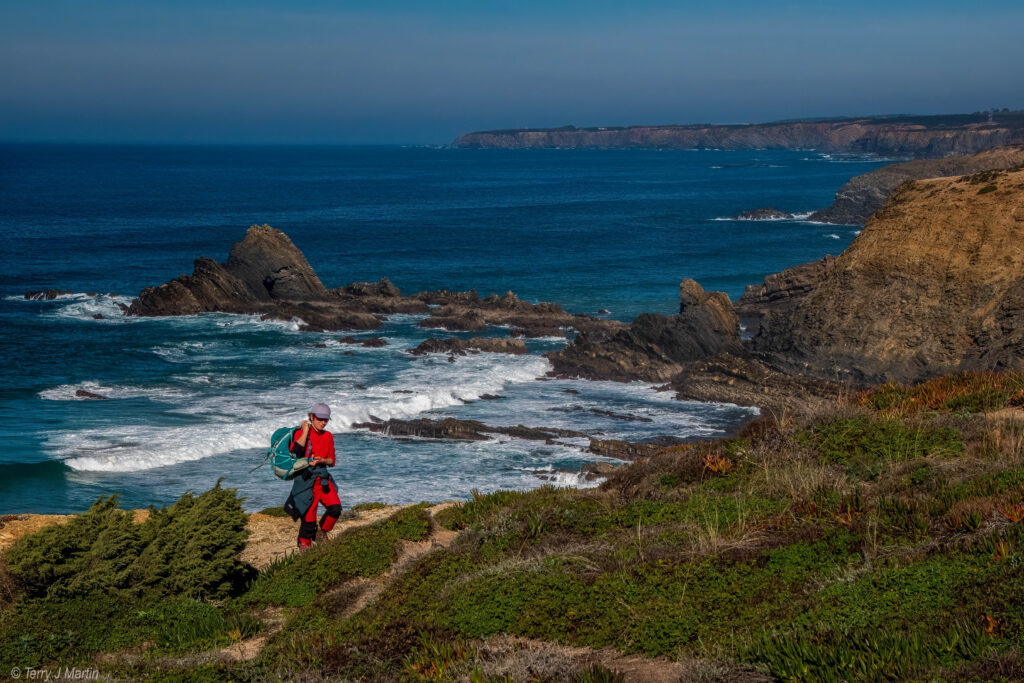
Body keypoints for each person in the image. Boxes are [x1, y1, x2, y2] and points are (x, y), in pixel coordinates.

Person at [282, 402, 342, 548]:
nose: (323, 422)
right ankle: (304, 548)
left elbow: (332, 461)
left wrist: (322, 460)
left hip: (323, 480)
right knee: (308, 521)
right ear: (311, 417)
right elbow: (295, 452)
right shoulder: (301, 433)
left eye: (326, 420)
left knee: (335, 509)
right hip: (306, 482)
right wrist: (304, 431)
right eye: (320, 419)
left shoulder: (328, 436)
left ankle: (322, 532)